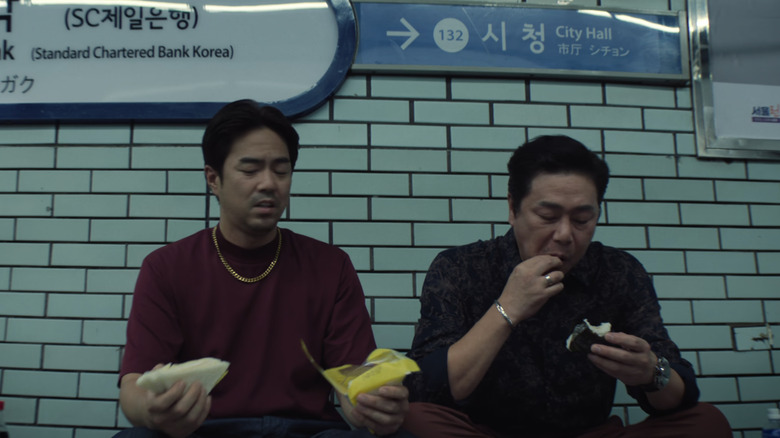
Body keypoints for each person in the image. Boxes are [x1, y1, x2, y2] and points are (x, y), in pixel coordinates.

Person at [115, 100, 411, 438]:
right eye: (250, 169)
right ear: (213, 179)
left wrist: (372, 406)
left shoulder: (330, 265)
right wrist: (153, 411)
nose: (269, 183)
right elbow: (133, 389)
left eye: (281, 171)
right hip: (205, 431)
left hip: (308, 432)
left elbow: (354, 378)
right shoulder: (166, 267)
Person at [402, 136, 731, 438]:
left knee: (707, 423)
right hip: (487, 434)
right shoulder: (460, 267)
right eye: (547, 216)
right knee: (413, 420)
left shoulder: (620, 271)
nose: (564, 234)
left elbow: (681, 395)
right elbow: (425, 389)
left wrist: (649, 372)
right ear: (512, 208)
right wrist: (507, 309)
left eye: (582, 220)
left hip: (590, 433)